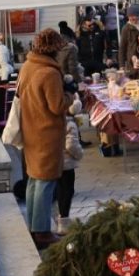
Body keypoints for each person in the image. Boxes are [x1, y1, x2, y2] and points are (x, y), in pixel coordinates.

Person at [17, 28, 74, 248]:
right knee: (45, 182)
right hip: (46, 132)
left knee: (34, 179)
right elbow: (57, 106)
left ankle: (34, 225)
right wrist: (70, 93)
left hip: (31, 128)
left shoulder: (29, 66)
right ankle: (41, 231)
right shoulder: (48, 73)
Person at [56, 97, 83, 232]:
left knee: (60, 190)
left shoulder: (57, 120)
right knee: (67, 191)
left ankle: (60, 217)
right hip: (66, 163)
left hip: (55, 161)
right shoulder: (70, 124)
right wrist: (79, 154)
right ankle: (64, 220)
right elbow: (71, 145)